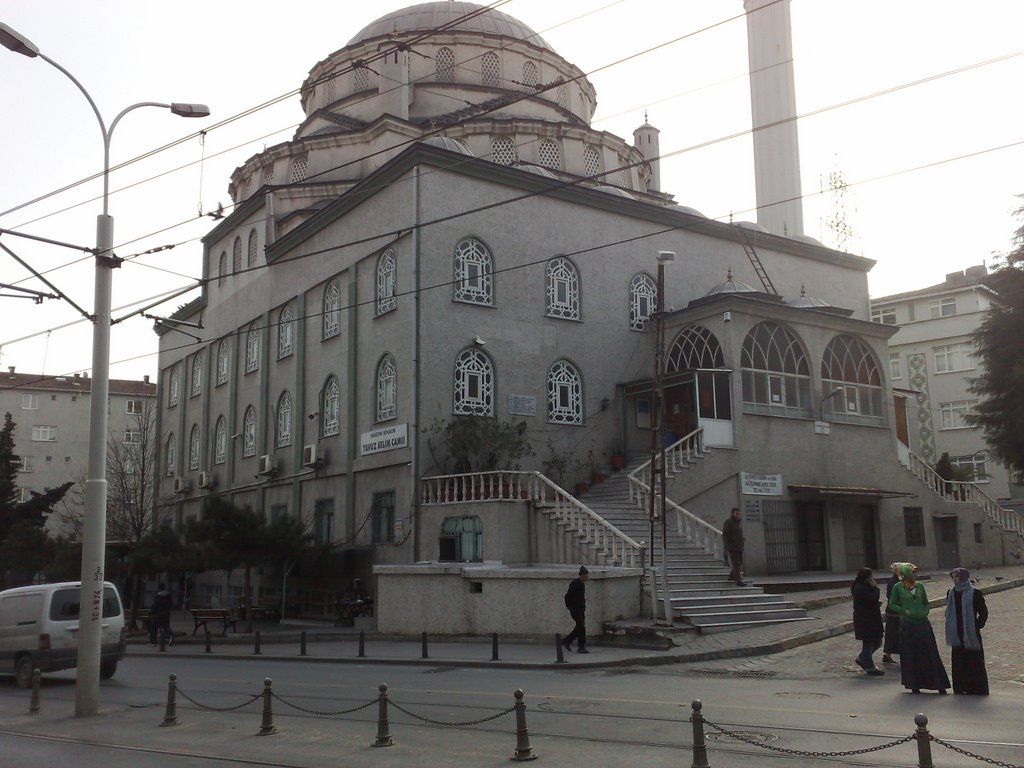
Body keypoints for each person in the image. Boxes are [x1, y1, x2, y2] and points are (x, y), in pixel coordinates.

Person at [887, 563, 949, 694]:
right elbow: (892, 604)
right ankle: (914, 684)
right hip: (908, 625)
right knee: (911, 654)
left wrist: (925, 611)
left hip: (923, 623)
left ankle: (938, 684)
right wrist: (904, 611)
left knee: (929, 653)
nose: (915, 575)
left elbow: (926, 603)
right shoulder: (898, 587)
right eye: (913, 572)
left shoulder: (920, 586)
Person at [944, 567, 989, 695]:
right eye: (953, 577)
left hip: (971, 634)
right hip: (957, 634)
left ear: (963, 578)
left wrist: (976, 626)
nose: (955, 579)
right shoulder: (951, 593)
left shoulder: (975, 593)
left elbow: (983, 612)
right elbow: (949, 611)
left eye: (957, 577)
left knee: (974, 662)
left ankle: (977, 688)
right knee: (959, 662)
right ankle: (960, 687)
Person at [851, 567, 885, 676]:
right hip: (866, 620)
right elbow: (872, 598)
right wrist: (875, 588)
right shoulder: (860, 588)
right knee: (869, 642)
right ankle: (869, 666)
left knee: (877, 642)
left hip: (871, 618)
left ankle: (862, 658)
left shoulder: (863, 586)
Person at [562, 566, 589, 654]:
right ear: (581, 576)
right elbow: (567, 596)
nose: (587, 578)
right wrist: (570, 607)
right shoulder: (575, 584)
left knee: (579, 627)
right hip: (575, 609)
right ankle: (581, 646)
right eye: (585, 576)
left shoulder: (582, 584)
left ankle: (567, 641)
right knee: (581, 627)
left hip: (580, 609)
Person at [881, 562, 901, 664]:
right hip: (895, 612)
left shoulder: (894, 581)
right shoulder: (895, 582)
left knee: (892, 633)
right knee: (894, 633)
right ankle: (888, 654)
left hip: (893, 611)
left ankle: (887, 653)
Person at [722, 507, 746, 586]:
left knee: (740, 562)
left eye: (739, 514)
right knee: (736, 564)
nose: (738, 515)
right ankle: (738, 581)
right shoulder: (728, 522)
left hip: (739, 546)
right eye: (737, 513)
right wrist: (732, 542)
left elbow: (739, 533)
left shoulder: (738, 522)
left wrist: (742, 540)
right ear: (732, 513)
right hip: (732, 547)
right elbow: (726, 534)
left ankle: (731, 576)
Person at [149, 582, 173, 647]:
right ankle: (171, 635)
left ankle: (153, 642)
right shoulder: (168, 596)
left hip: (158, 615)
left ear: (159, 588)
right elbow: (171, 605)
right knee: (165, 627)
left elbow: (155, 606)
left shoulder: (157, 596)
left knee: (153, 627)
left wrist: (152, 612)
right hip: (166, 615)